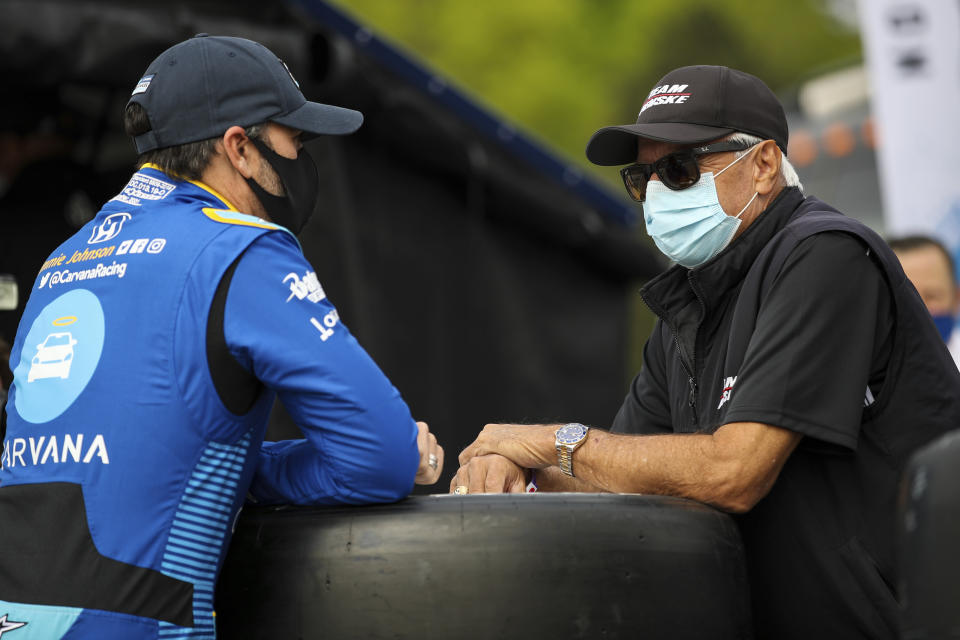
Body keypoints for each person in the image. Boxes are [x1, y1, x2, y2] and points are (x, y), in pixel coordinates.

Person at [452, 65, 960, 638]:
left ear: (764, 165)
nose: (658, 193)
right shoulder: (691, 300)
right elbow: (623, 472)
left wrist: (549, 442)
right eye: (642, 176)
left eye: (679, 168)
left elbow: (733, 473)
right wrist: (522, 473)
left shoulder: (825, 255)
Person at [0, 34, 443, 640]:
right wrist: (245, 470)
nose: (304, 161)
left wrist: (221, 464)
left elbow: (138, 449)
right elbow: (381, 457)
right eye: (297, 139)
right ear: (240, 147)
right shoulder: (241, 249)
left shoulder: (62, 261)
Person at [889, 234, 960, 366]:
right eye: (906, 297)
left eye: (932, 296)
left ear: (956, 298)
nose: (919, 309)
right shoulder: (853, 376)